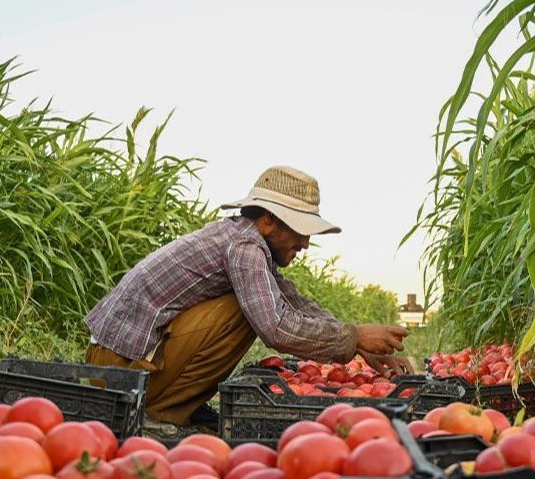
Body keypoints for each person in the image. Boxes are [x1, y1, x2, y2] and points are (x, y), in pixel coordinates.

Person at [84, 165, 409, 431]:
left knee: (257, 300)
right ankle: (155, 414)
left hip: (122, 364)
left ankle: (176, 403)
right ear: (267, 221)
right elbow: (276, 326)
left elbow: (293, 301)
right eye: (300, 229)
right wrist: (352, 337)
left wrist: (358, 343)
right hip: (120, 370)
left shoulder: (242, 241)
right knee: (246, 310)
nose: (306, 243)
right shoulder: (244, 247)